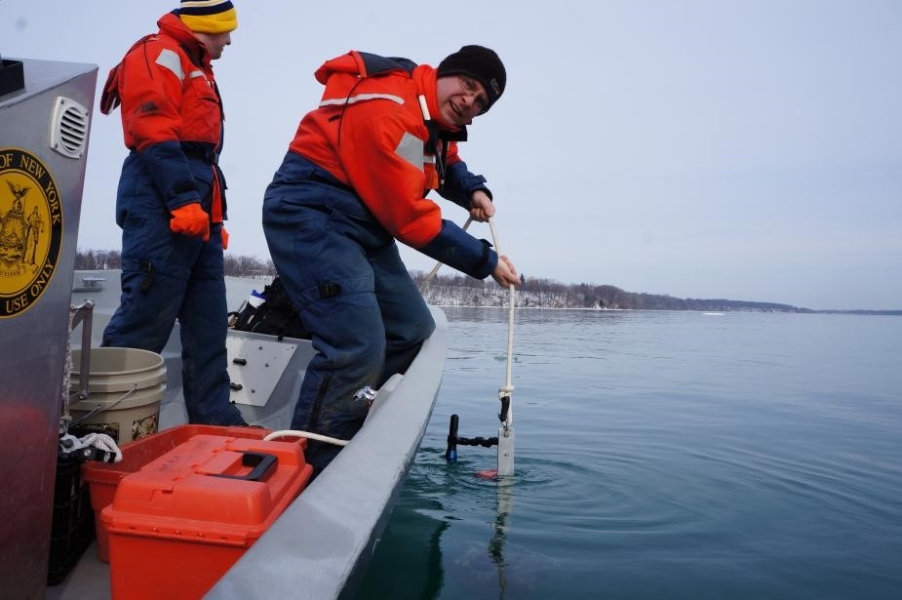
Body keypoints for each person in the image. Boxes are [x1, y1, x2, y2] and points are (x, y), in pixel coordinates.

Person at [262, 45, 521, 474]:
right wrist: (486, 261)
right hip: (313, 212)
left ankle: (353, 410)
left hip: (366, 221)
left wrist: (474, 189)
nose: (468, 102)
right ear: (446, 73)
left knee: (413, 329)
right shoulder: (390, 111)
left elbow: (445, 158)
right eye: (468, 86)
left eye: (480, 103)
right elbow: (407, 217)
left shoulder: (428, 114)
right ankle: (315, 464)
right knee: (358, 346)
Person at [99, 0, 246, 426]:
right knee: (145, 317)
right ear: (204, 29)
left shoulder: (193, 63)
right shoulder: (156, 53)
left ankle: (213, 419)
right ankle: (106, 425)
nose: (230, 40)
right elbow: (151, 127)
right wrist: (183, 201)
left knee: (208, 322)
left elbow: (202, 155)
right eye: (225, 31)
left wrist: (212, 219)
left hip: (197, 204)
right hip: (160, 201)